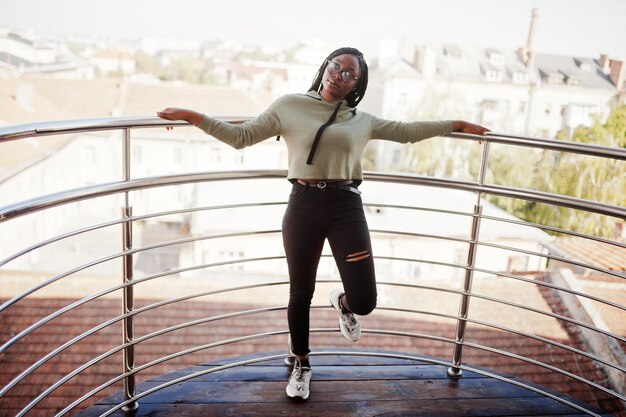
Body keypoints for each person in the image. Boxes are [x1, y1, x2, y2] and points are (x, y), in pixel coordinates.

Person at [157, 46, 490, 401]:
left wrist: (454, 124)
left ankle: (345, 304)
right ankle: (302, 364)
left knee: (366, 300)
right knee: (300, 292)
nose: (339, 75)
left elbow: (407, 131)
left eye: (350, 75)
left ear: (355, 86)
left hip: (346, 206)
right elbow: (242, 136)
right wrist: (194, 116)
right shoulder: (289, 105)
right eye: (336, 67)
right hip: (302, 205)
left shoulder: (362, 120)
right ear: (325, 67)